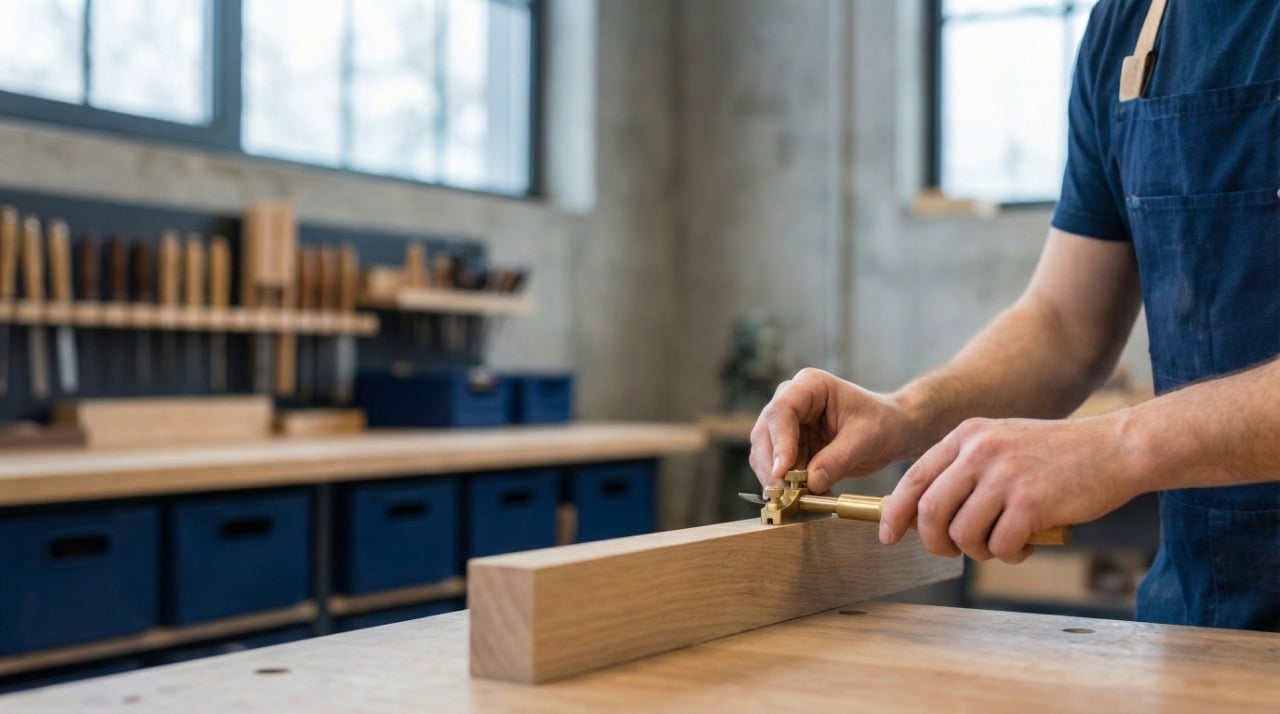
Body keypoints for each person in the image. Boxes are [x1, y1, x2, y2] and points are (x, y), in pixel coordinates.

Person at [749, 0, 1280, 632]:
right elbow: (1063, 326)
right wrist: (906, 414)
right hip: (1200, 618)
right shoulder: (1129, 24)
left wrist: (1117, 446)